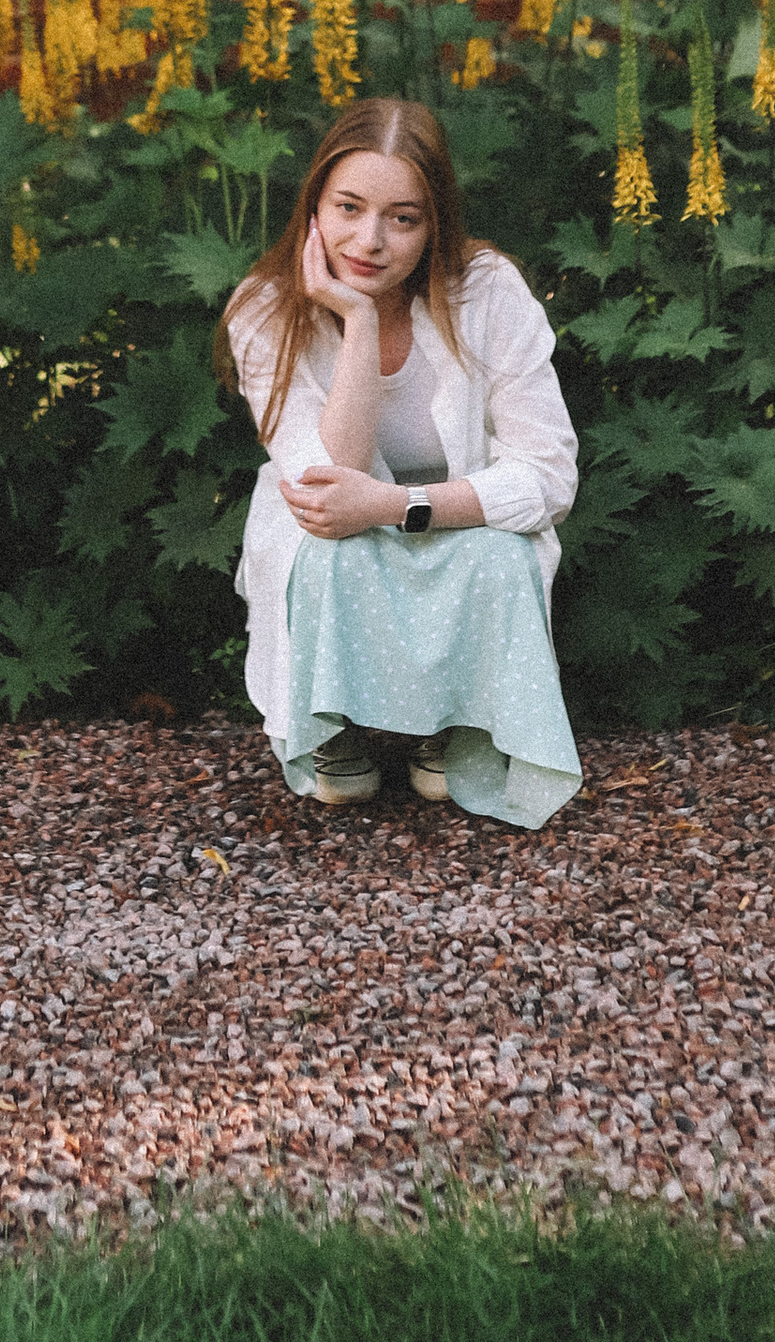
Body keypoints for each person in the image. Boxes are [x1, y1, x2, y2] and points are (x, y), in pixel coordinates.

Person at [218, 97, 581, 825]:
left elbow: (547, 477)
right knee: (325, 548)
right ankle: (332, 726)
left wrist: (395, 506)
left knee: (503, 551)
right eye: (348, 208)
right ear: (314, 206)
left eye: (403, 219)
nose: (370, 241)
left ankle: (460, 721)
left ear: (435, 224)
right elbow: (327, 484)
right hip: (332, 528)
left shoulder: (487, 290)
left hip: (453, 517)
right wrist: (356, 319)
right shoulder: (264, 309)